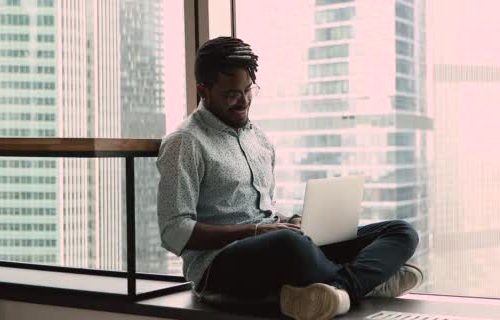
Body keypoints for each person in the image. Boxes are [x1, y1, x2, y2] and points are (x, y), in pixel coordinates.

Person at [156, 36, 423, 320]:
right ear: (203, 90)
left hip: (274, 246)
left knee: (400, 231)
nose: (244, 101)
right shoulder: (185, 142)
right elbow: (175, 230)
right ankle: (368, 282)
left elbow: (264, 209)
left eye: (249, 90)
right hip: (219, 264)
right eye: (231, 94)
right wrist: (257, 231)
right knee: (290, 245)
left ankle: (341, 290)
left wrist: (292, 220)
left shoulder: (259, 139)